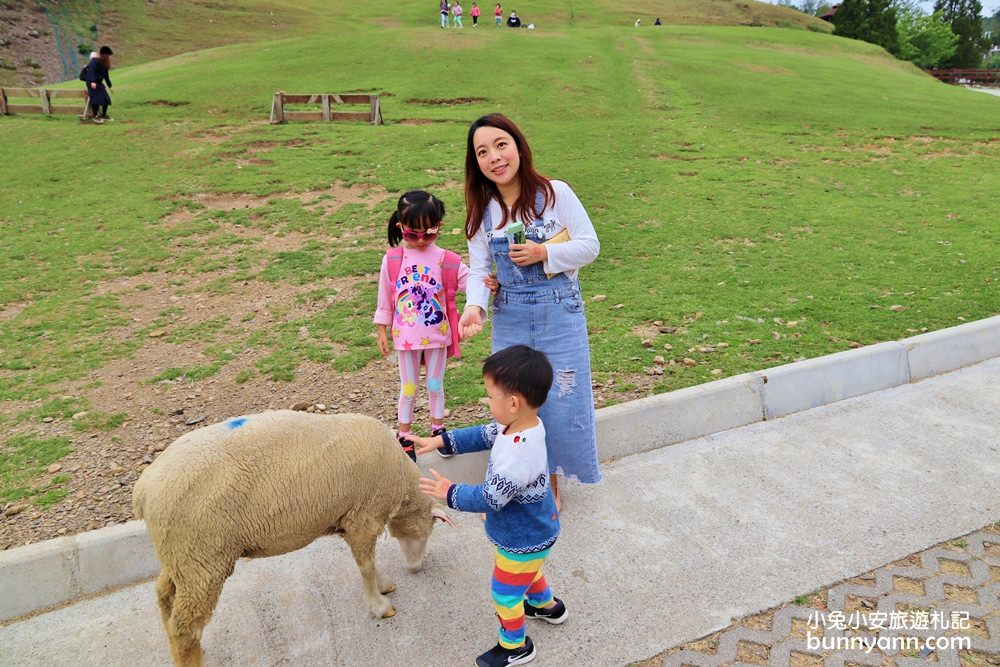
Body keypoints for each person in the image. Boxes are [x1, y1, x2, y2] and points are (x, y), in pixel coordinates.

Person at [444, 114, 601, 511]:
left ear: (517, 145)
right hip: (510, 313)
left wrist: (544, 252)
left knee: (562, 399)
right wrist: (475, 308)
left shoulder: (555, 194)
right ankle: (524, 480)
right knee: (513, 401)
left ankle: (549, 479)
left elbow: (590, 245)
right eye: (482, 152)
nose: (494, 157)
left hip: (559, 311)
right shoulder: (482, 213)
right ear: (475, 163)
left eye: (500, 145)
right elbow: (479, 270)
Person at [417, 345, 568, 667]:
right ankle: (547, 606)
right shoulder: (523, 425)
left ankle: (515, 646)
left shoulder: (517, 456)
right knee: (527, 572)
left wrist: (450, 492)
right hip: (533, 530)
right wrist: (442, 440)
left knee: (505, 594)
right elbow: (485, 434)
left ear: (513, 403)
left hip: (522, 536)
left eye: (490, 395)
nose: (487, 402)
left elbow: (491, 498)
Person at [373, 191, 469, 462]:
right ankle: (405, 436)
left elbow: (470, 281)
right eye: (412, 234)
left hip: (438, 336)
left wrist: (487, 286)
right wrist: (381, 328)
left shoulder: (446, 259)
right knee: (409, 387)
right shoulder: (393, 259)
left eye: (429, 233)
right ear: (400, 227)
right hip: (405, 338)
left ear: (439, 225)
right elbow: (385, 298)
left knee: (436, 385)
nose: (421, 240)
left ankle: (438, 430)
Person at [84, 45, 113, 123]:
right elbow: (91, 71)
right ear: (104, 55)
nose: (109, 57)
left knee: (106, 99)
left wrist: (110, 86)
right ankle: (95, 116)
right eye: (108, 55)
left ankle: (103, 115)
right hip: (91, 83)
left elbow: (106, 76)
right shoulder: (95, 61)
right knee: (96, 99)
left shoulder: (104, 64)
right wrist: (93, 81)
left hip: (99, 83)